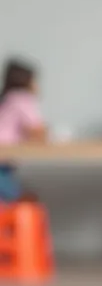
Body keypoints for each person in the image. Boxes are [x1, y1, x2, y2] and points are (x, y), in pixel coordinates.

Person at [0, 58, 48, 202]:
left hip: (5, 162)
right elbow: (38, 131)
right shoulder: (22, 98)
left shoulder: (7, 98)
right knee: (23, 201)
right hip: (3, 160)